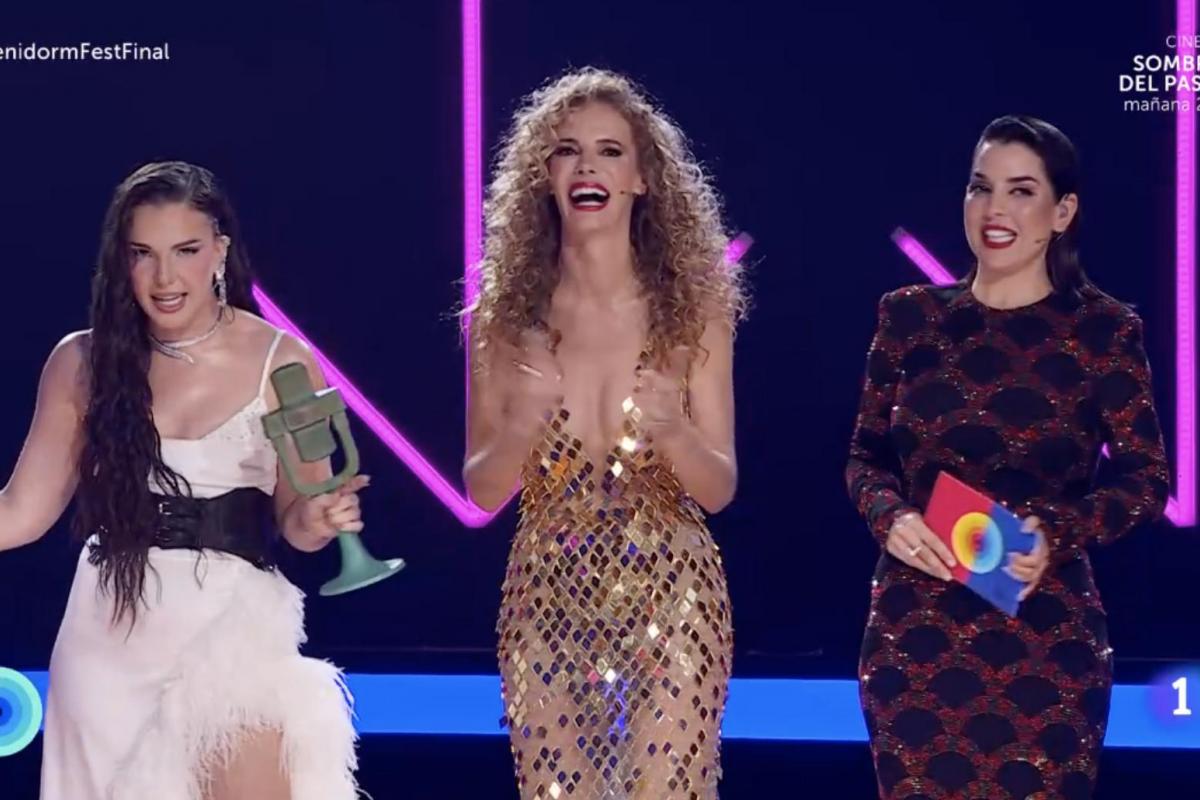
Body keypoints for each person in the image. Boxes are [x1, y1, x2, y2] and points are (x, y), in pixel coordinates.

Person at [0, 161, 366, 800]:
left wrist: (316, 518)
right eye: (143, 254)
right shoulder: (81, 361)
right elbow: (20, 514)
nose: (165, 278)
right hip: (107, 638)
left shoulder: (281, 361)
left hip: (230, 627)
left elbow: (300, 520)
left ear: (219, 251)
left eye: (186, 251)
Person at [847, 116, 1170, 799]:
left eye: (1021, 191)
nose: (995, 209)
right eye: (981, 187)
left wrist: (1057, 532)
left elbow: (1146, 479)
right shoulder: (907, 318)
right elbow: (864, 457)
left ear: (1063, 212)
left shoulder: (1104, 331)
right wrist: (890, 516)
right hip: (916, 636)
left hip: (1045, 640)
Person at [463, 68, 747, 799]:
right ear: (545, 176)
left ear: (642, 179)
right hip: (545, 595)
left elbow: (718, 487)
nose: (586, 166)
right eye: (566, 151)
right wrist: (524, 421)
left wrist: (673, 428)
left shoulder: (694, 313)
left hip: (673, 593)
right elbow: (482, 489)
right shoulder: (503, 320)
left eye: (609, 151)